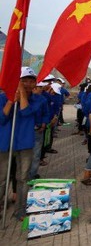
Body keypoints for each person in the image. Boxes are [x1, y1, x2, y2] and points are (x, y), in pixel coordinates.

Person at [0, 67, 38, 220]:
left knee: (23, 178)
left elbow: (26, 112)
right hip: (5, 143)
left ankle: (20, 209)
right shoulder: (3, 98)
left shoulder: (38, 99)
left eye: (30, 81)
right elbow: (2, 119)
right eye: (24, 81)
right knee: (2, 178)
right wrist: (11, 100)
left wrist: (22, 94)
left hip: (25, 143)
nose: (27, 84)